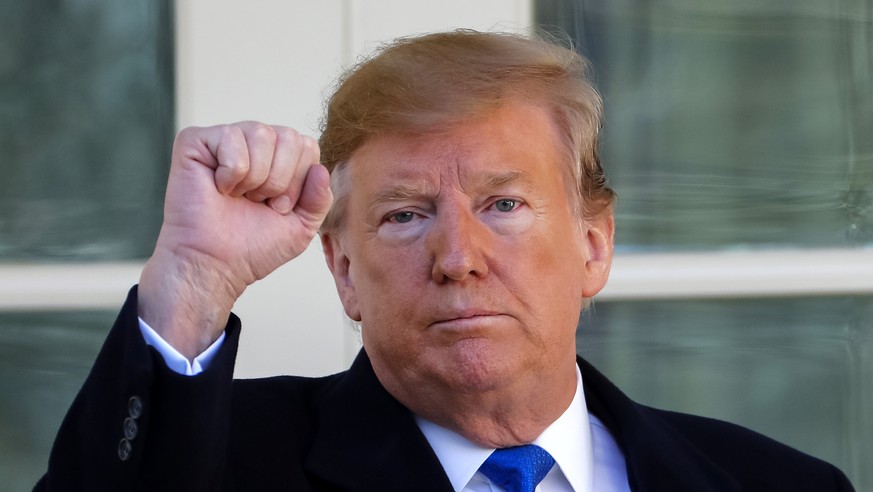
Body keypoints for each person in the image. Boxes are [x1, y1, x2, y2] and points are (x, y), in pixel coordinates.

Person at [36, 30, 853, 492]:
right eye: (404, 216)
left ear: (593, 247)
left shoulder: (782, 487)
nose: (458, 258)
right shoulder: (218, 461)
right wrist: (193, 280)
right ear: (344, 272)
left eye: (502, 204)